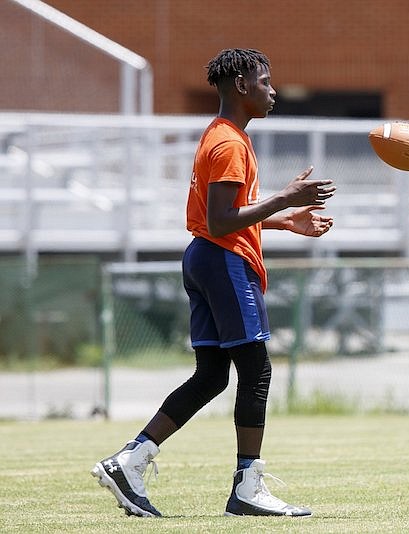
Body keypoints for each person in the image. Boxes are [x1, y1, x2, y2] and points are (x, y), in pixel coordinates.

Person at [91, 48, 335, 518]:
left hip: (206, 258)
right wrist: (285, 195)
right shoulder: (228, 144)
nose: (272, 90)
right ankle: (247, 486)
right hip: (222, 260)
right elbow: (222, 221)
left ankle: (130, 460)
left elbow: (224, 215)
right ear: (241, 85)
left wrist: (285, 220)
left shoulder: (224, 136)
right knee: (257, 371)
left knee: (211, 376)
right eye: (264, 81)